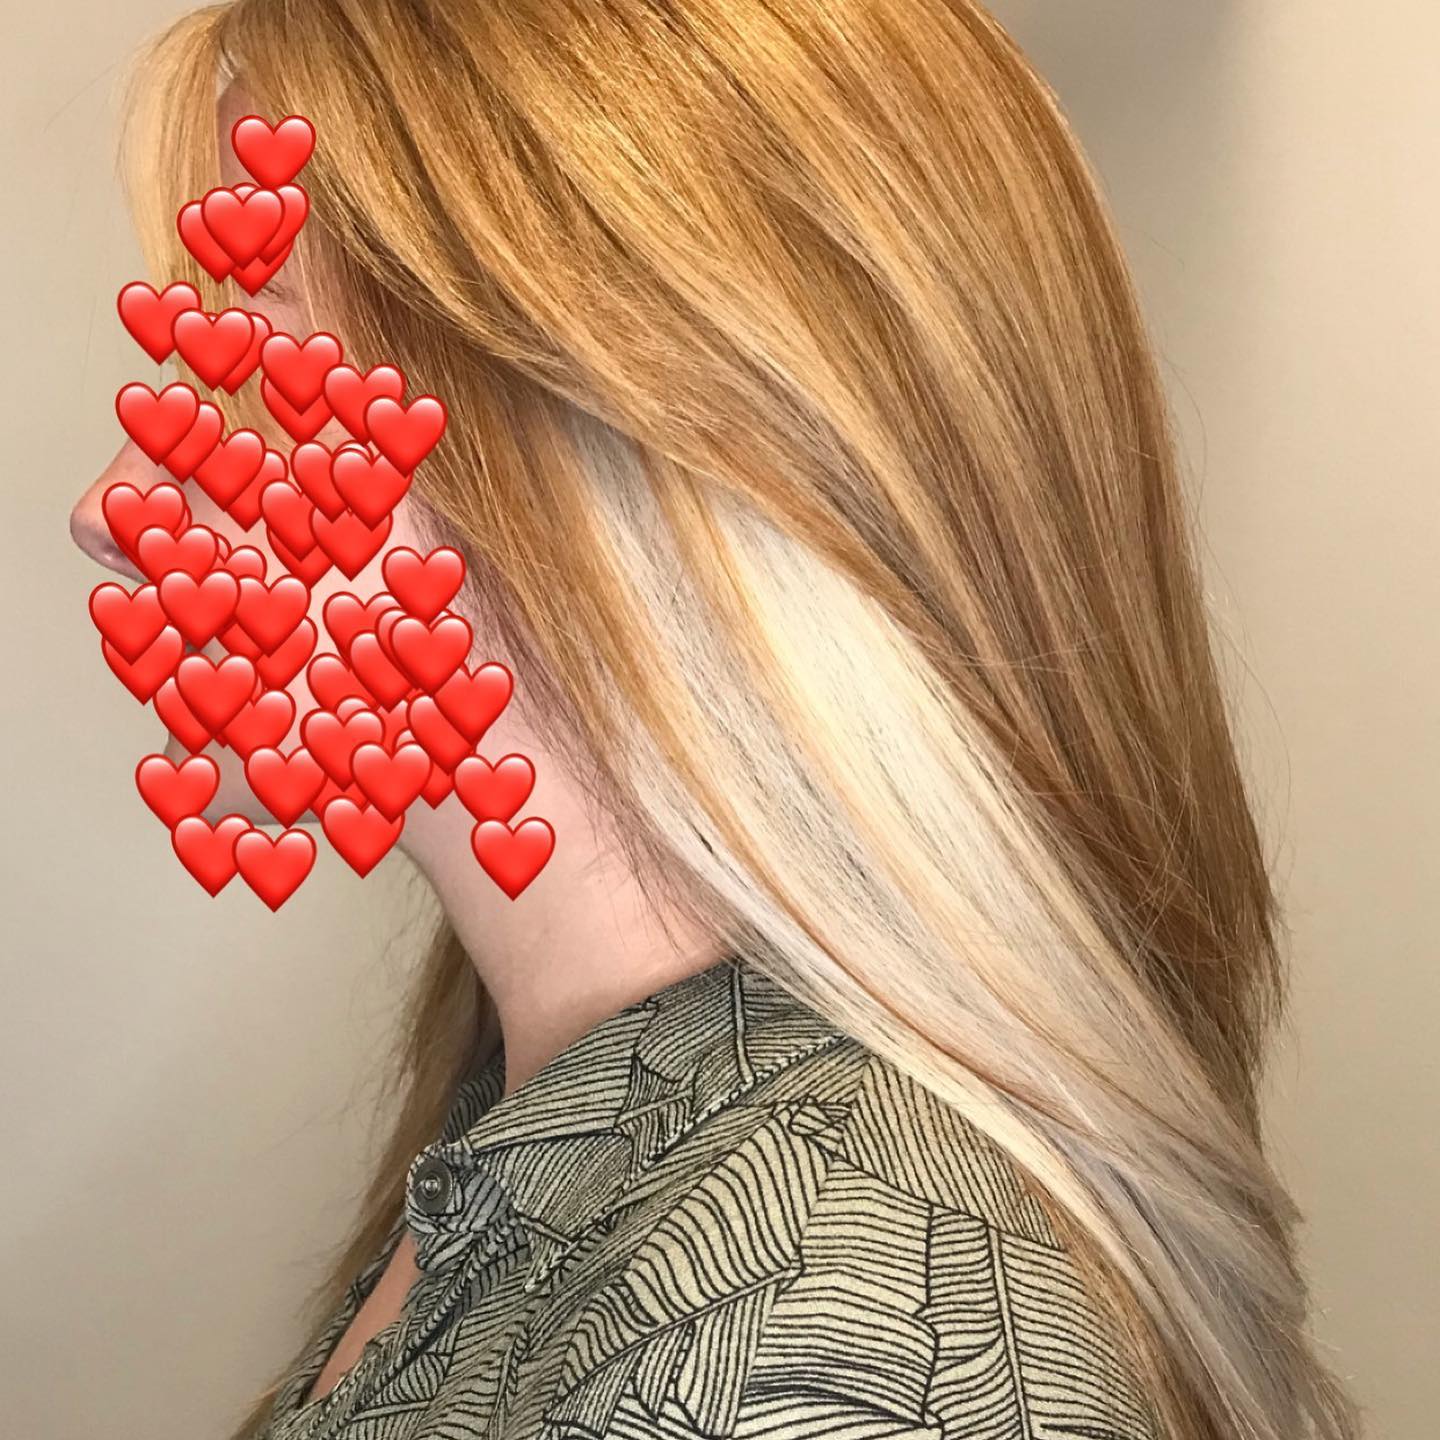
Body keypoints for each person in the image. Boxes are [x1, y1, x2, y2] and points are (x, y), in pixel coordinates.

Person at [68, 2, 1364, 1438]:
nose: (109, 506)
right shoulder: (574, 1118)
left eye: (243, 366)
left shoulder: (822, 1323)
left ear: (619, 448)